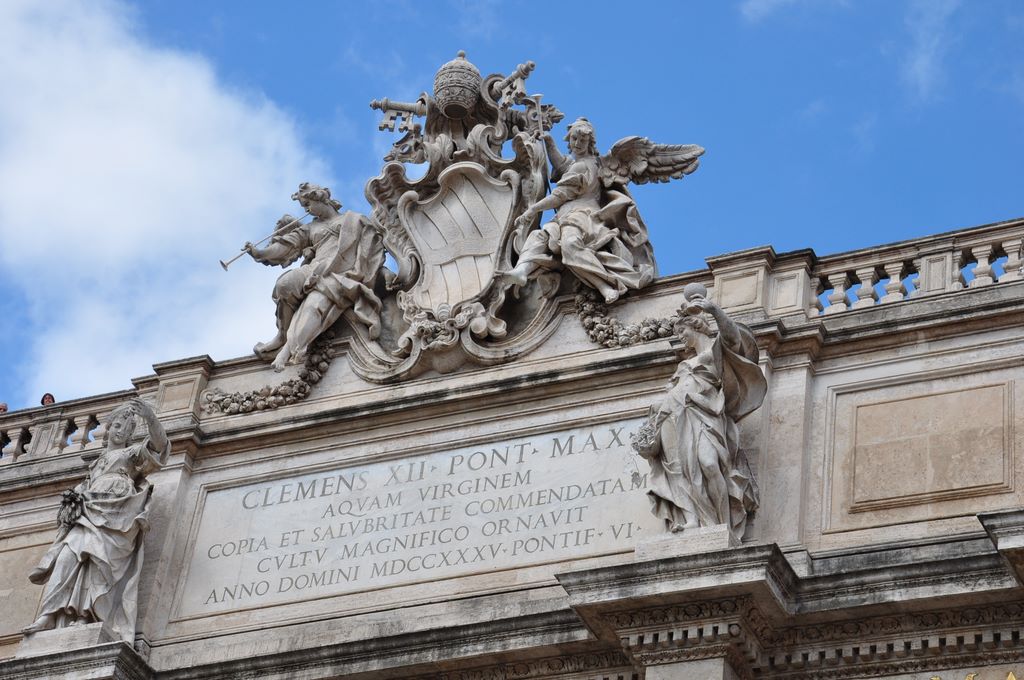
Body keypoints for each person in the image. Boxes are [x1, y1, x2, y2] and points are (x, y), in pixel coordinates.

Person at [23, 398, 169, 642]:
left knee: (100, 565)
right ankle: (48, 615)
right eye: (118, 425)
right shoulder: (96, 463)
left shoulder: (131, 454)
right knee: (67, 559)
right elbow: (83, 488)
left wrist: (150, 419)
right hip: (87, 511)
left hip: (116, 514)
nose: (122, 430)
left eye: (128, 427)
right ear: (109, 427)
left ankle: (87, 615)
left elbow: (159, 446)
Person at [632, 290, 767, 542]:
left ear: (696, 327)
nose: (680, 338)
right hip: (672, 417)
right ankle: (692, 518)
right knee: (680, 470)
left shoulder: (715, 352)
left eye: (682, 332)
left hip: (704, 415)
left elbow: (733, 338)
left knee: (708, 463)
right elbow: (672, 395)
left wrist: (714, 310)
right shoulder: (684, 366)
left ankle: (720, 522)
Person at [499, 118, 655, 303]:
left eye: (582, 140)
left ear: (590, 143)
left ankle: (607, 285)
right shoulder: (579, 164)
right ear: (569, 139)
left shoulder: (585, 165)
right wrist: (549, 144)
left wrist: (532, 210)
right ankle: (521, 271)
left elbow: (560, 195)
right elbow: (563, 166)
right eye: (574, 139)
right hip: (565, 216)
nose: (577, 144)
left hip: (583, 216)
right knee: (537, 237)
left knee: (570, 246)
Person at [246, 183, 385, 371]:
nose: (307, 210)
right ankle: (282, 334)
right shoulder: (311, 228)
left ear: (321, 199)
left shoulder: (354, 220)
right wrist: (260, 253)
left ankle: (290, 349)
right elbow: (287, 245)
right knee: (284, 285)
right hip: (315, 268)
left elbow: (372, 250)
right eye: (305, 207)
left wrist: (369, 273)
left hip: (342, 272)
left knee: (314, 305)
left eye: (308, 204)